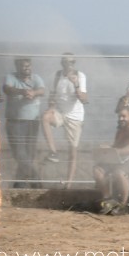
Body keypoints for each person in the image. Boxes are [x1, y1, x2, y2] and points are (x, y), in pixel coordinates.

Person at [42, 53, 88, 185]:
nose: (69, 65)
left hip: (75, 116)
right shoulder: (57, 75)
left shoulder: (80, 76)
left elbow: (84, 99)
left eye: (72, 62)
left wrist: (76, 84)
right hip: (60, 113)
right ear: (62, 63)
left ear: (75, 63)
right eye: (66, 62)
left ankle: (68, 183)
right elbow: (52, 94)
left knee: (72, 151)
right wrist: (51, 107)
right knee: (45, 117)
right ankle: (53, 152)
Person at [2, 57, 46, 188]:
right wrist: (23, 91)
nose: (27, 68)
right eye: (23, 66)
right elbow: (7, 89)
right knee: (19, 153)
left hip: (33, 122)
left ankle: (19, 185)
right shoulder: (11, 77)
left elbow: (42, 90)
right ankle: (36, 181)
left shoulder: (36, 78)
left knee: (30, 153)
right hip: (15, 122)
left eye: (28, 66)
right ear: (17, 67)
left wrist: (34, 92)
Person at [94, 107, 129, 214]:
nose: (121, 119)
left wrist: (115, 150)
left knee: (119, 173)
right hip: (119, 159)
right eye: (119, 117)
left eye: (124, 116)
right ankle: (107, 200)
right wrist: (106, 148)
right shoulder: (121, 131)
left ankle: (123, 204)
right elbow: (116, 146)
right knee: (98, 170)